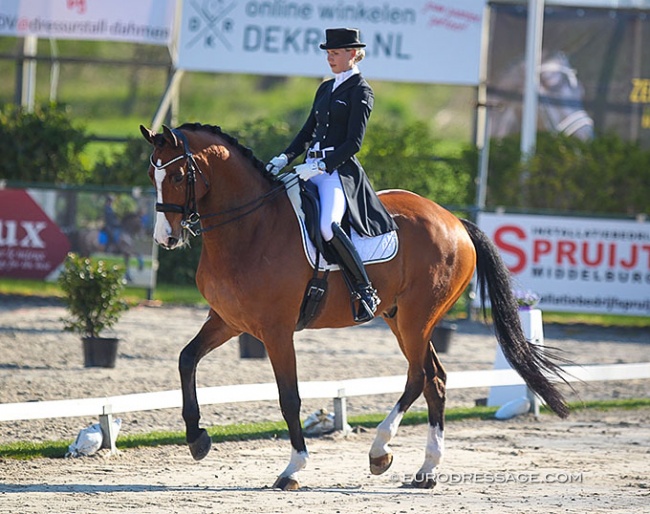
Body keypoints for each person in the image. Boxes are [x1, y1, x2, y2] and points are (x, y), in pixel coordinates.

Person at [266, 27, 398, 323]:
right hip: (306, 168)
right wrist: (283, 157)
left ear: (353, 54)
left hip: (335, 173)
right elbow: (306, 132)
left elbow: (354, 143)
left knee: (327, 226)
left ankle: (364, 290)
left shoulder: (361, 92)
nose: (330, 59)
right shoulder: (325, 88)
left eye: (335, 53)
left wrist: (320, 166)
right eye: (328, 53)